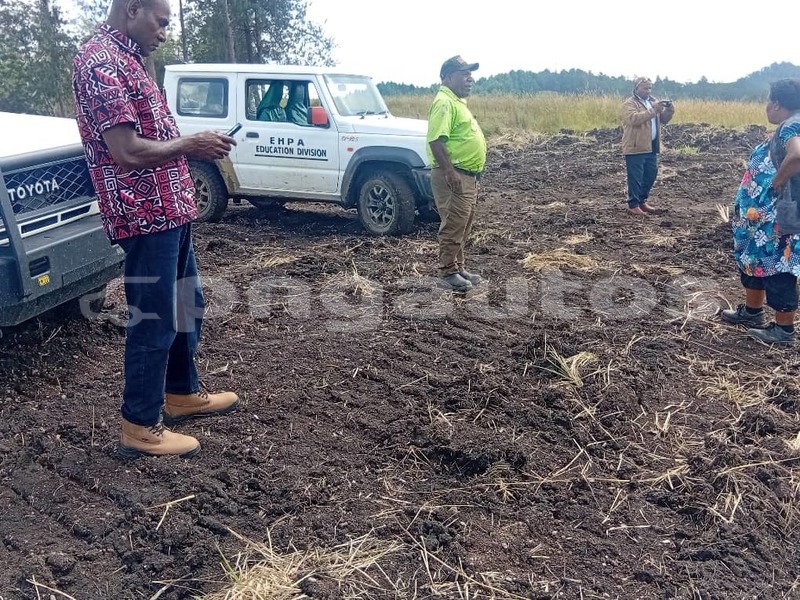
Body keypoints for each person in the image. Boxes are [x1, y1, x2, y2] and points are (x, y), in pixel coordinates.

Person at [72, 0, 241, 458]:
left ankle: (181, 393)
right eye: (161, 22)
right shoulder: (100, 63)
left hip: (170, 207)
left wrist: (189, 146)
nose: (166, 32)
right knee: (154, 315)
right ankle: (140, 424)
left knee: (189, 302)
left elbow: (151, 135)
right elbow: (125, 151)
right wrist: (192, 143)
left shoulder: (130, 59)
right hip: (142, 212)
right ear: (132, 9)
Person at [721, 78, 800, 345]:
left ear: (777, 104)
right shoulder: (789, 125)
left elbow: (797, 155)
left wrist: (775, 184)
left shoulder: (792, 126)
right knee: (755, 259)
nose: (767, 106)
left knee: (779, 265)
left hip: (775, 216)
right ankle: (752, 312)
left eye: (769, 101)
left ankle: (783, 330)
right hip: (760, 218)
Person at [426, 55, 487, 292]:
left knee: (462, 223)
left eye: (470, 74)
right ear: (448, 77)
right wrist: (450, 171)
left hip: (465, 175)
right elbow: (436, 141)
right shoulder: (444, 102)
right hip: (453, 175)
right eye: (465, 74)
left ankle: (457, 267)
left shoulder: (456, 102)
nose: (470, 79)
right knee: (453, 223)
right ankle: (447, 272)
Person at [621, 77, 675, 215]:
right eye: (645, 88)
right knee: (635, 177)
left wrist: (669, 110)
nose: (648, 91)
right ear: (636, 88)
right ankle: (633, 204)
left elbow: (663, 120)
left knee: (651, 174)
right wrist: (654, 110)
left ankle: (642, 201)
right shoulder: (629, 103)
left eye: (649, 88)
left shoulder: (652, 102)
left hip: (651, 145)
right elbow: (634, 119)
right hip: (635, 146)